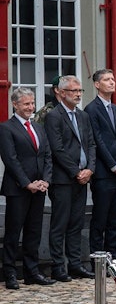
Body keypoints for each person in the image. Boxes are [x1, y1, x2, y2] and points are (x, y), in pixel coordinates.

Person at [44, 75, 96, 281]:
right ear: (62, 93)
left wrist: (90, 169)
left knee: (76, 223)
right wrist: (76, 171)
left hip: (82, 178)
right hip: (63, 179)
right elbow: (57, 149)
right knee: (60, 223)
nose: (78, 94)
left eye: (80, 91)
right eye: (74, 91)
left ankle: (75, 264)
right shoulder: (54, 116)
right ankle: (58, 266)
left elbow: (91, 144)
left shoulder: (83, 116)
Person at [1, 87, 53, 289]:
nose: (31, 107)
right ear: (15, 104)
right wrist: (27, 183)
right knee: (14, 232)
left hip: (39, 187)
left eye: (32, 103)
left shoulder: (39, 127)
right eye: (26, 104)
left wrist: (46, 180)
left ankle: (32, 271)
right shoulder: (7, 128)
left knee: (34, 231)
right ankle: (10, 273)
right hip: (18, 189)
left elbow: (47, 156)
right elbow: (10, 159)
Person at [85, 69, 116, 264]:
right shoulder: (92, 109)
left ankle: (112, 257)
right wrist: (113, 166)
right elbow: (98, 141)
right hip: (105, 174)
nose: (112, 82)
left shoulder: (115, 110)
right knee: (100, 218)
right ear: (97, 84)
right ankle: (97, 260)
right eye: (107, 80)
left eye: (113, 79)